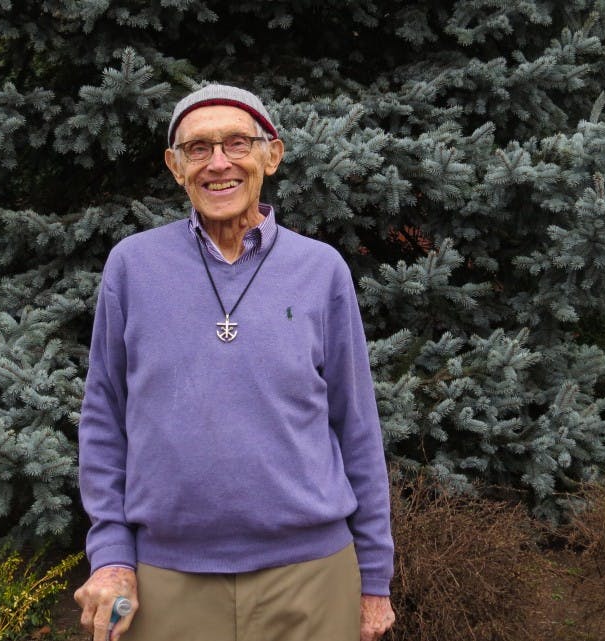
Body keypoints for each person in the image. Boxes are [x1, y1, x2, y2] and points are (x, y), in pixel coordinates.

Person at [74, 84, 396, 641]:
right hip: (165, 579)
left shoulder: (321, 269)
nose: (217, 163)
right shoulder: (132, 266)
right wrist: (111, 556)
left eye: (237, 143)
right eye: (197, 149)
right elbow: (104, 419)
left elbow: (357, 427)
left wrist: (373, 580)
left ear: (272, 154)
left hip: (311, 577)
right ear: (175, 167)